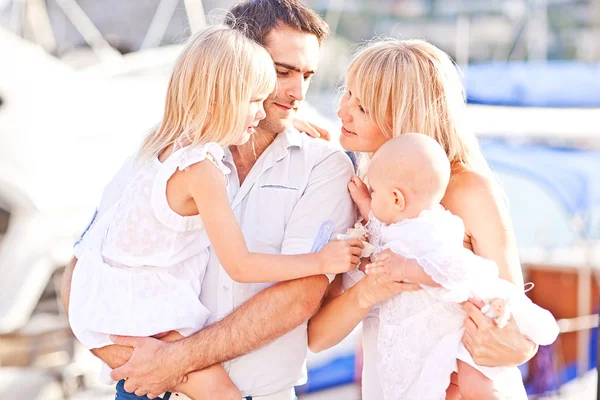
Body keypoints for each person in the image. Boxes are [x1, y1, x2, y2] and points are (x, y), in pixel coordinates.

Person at [61, 1, 359, 399]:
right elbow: (85, 264)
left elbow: (298, 298)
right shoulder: (165, 153)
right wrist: (132, 361)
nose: (297, 92)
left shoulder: (323, 165)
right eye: (282, 72)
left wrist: (176, 361)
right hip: (147, 386)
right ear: (236, 65)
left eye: (307, 75)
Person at [308, 38, 539, 399]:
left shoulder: (469, 189)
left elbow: (511, 312)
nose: (342, 111)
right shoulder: (361, 193)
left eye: (362, 106)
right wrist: (370, 290)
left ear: (402, 115)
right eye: (347, 93)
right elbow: (318, 337)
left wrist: (520, 349)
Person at [350, 133, 559, 400]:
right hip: (431, 333)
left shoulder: (435, 229)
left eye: (374, 191)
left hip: (457, 326)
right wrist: (362, 200)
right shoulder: (398, 224)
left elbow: (447, 268)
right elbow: (379, 221)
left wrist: (406, 269)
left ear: (396, 199)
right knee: (438, 386)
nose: (372, 196)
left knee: (476, 386)